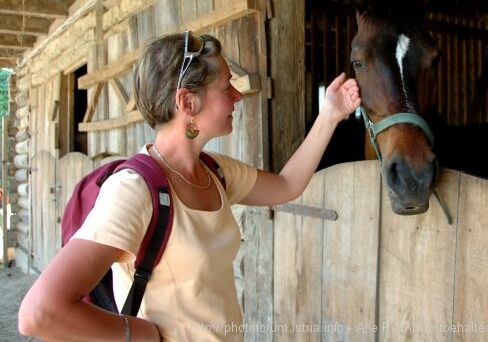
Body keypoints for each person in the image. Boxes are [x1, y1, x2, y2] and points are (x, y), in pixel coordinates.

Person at [18, 31, 361, 341]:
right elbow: (39, 313)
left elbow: (287, 185)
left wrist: (330, 114)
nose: (238, 96)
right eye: (227, 86)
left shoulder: (215, 172)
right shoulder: (134, 190)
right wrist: (137, 334)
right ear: (187, 103)